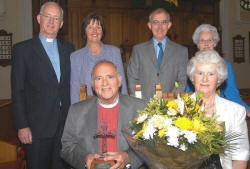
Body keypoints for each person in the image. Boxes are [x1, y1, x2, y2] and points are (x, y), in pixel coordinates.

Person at [11, 2, 74, 169]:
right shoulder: (22, 50)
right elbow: (17, 91)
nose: (51, 21)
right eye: (47, 16)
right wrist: (22, 125)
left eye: (56, 18)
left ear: (61, 24)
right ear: (39, 18)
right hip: (36, 128)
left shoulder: (69, 49)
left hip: (64, 127)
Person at [61, 61, 146, 169]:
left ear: (119, 81)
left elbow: (150, 145)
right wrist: (84, 159)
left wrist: (129, 157)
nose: (105, 83)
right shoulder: (76, 111)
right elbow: (67, 146)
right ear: (93, 84)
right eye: (99, 78)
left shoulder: (140, 108)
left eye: (110, 77)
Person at [187, 50, 249, 169]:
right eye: (200, 73)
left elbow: (240, 157)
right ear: (192, 77)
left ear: (219, 79)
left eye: (211, 74)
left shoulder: (236, 112)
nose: (205, 79)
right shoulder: (175, 109)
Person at [185, 24, 250, 116]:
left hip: (220, 111)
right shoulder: (190, 66)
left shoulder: (226, 66)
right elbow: (187, 94)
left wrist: (246, 109)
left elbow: (232, 94)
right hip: (195, 110)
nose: (206, 43)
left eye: (210, 40)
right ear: (197, 44)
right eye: (202, 40)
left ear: (214, 43)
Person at [127, 8, 188, 101]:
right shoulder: (138, 50)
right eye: (155, 22)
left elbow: (182, 81)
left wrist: (170, 102)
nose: (160, 27)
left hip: (170, 106)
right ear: (149, 25)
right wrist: (141, 101)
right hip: (143, 104)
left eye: (164, 22)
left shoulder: (181, 51)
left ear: (169, 25)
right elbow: (133, 79)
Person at [70, 13, 128, 104]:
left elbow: (122, 84)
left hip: (113, 105)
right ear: (84, 31)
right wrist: (76, 114)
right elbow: (74, 90)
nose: (94, 31)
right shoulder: (75, 57)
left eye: (98, 27)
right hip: (87, 109)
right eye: (90, 27)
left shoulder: (114, 52)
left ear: (102, 31)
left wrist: (125, 107)